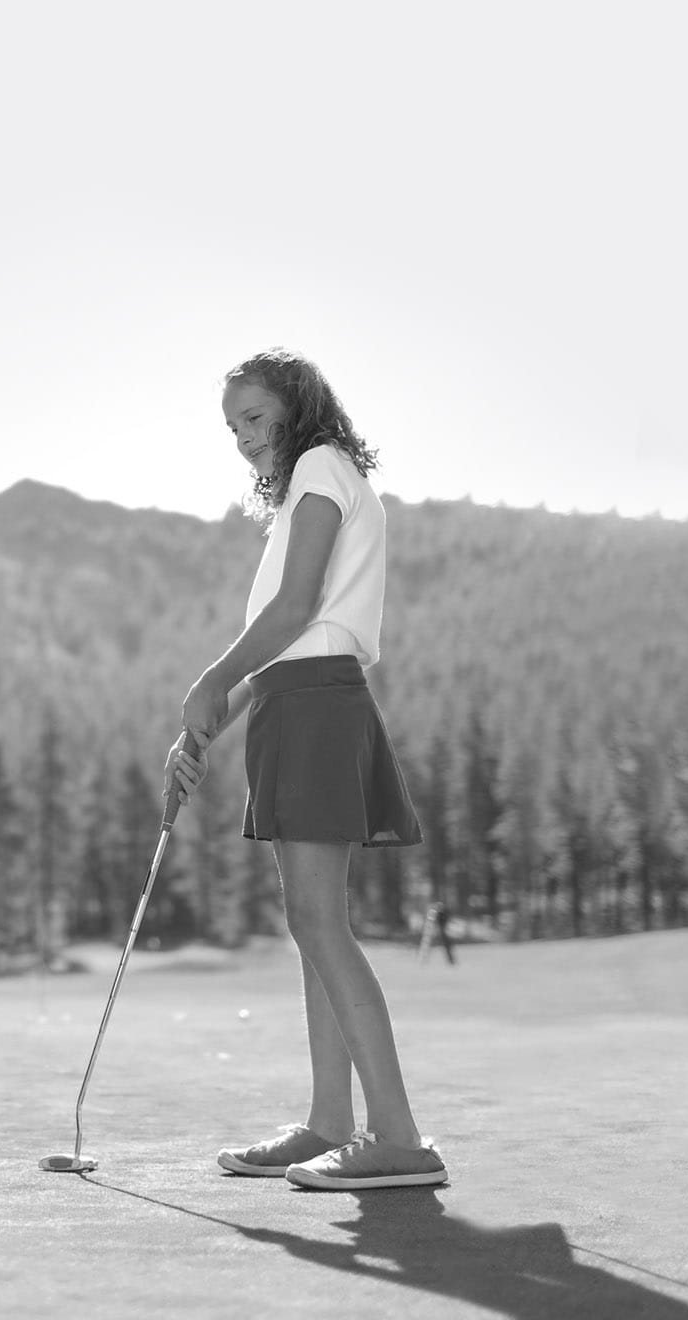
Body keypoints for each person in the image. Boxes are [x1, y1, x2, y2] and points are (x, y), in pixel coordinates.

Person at [170, 349, 445, 1191]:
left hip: (320, 705)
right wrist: (221, 716)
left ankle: (395, 1135)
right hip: (295, 701)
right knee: (311, 922)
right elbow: (294, 635)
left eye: (255, 418)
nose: (245, 439)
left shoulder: (322, 465)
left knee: (319, 921)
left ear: (296, 406)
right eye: (233, 426)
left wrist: (211, 679)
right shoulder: (305, 485)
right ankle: (331, 1121)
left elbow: (297, 609)